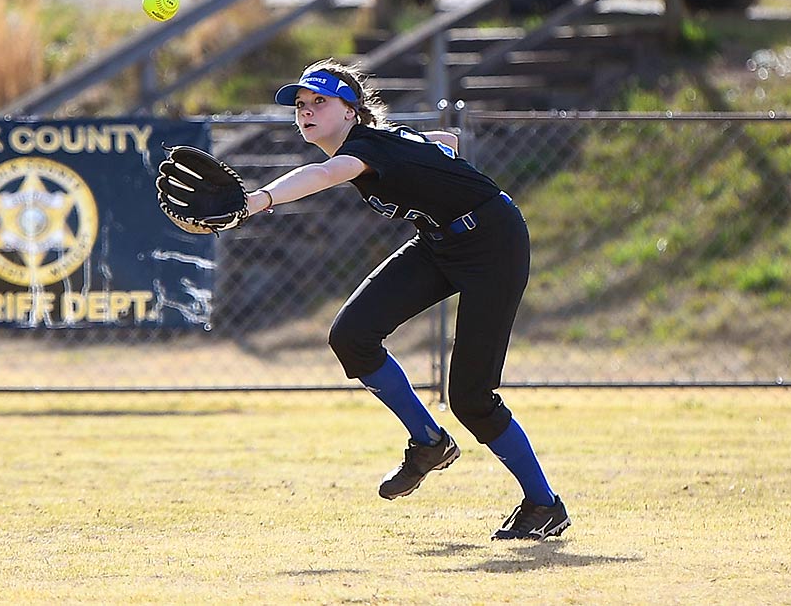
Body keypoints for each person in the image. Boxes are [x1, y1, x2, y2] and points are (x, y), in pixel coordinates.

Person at [244, 58, 569, 541]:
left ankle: (544, 505)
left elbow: (322, 175)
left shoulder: (362, 150)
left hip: (494, 243)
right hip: (441, 241)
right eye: (301, 104)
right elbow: (447, 143)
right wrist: (439, 164)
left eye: (320, 102)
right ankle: (429, 442)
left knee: (470, 398)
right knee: (352, 336)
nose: (306, 111)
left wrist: (257, 200)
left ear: (352, 112)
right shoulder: (384, 140)